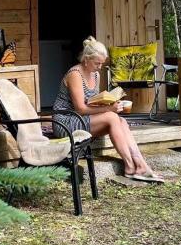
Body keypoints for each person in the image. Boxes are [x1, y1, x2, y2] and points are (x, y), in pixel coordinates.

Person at [51, 36, 164, 182]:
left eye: (101, 63)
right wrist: (110, 109)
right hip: (65, 121)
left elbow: (92, 103)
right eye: (97, 63)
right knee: (111, 117)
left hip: (82, 118)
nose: (99, 67)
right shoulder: (75, 74)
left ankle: (140, 164)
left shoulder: (96, 75)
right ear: (86, 59)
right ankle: (130, 165)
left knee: (121, 121)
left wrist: (111, 103)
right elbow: (80, 109)